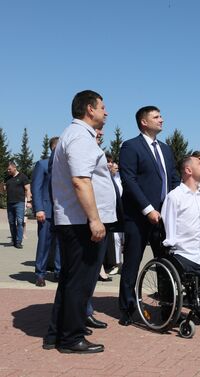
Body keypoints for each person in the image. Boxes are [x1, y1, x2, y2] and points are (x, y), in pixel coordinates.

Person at [44, 90, 116, 353]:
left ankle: (57, 333)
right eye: (102, 107)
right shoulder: (79, 137)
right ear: (89, 109)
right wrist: (95, 220)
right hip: (81, 222)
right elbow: (81, 180)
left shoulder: (76, 135)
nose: (106, 112)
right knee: (80, 281)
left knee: (70, 279)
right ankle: (71, 338)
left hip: (76, 220)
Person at [118, 106, 180, 326]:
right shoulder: (130, 147)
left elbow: (173, 178)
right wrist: (148, 209)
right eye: (156, 117)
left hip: (163, 217)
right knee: (132, 263)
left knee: (165, 262)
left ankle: (167, 308)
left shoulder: (166, 149)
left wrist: (173, 205)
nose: (161, 119)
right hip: (138, 217)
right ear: (144, 122)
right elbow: (129, 181)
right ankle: (126, 309)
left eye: (161, 116)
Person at [31, 137, 61, 287]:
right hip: (46, 211)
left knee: (61, 244)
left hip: (62, 212)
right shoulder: (42, 164)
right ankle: (40, 274)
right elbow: (35, 188)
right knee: (44, 243)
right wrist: (39, 209)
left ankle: (58, 271)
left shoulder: (64, 166)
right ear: (54, 147)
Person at [4, 162, 31, 248]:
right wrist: (1, 187)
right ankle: (14, 239)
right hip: (9, 203)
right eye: (7, 169)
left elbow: (28, 189)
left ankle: (19, 241)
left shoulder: (23, 177)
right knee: (11, 222)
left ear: (14, 168)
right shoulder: (7, 178)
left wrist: (29, 202)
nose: (8, 171)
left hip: (20, 202)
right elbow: (3, 190)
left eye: (9, 169)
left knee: (20, 221)